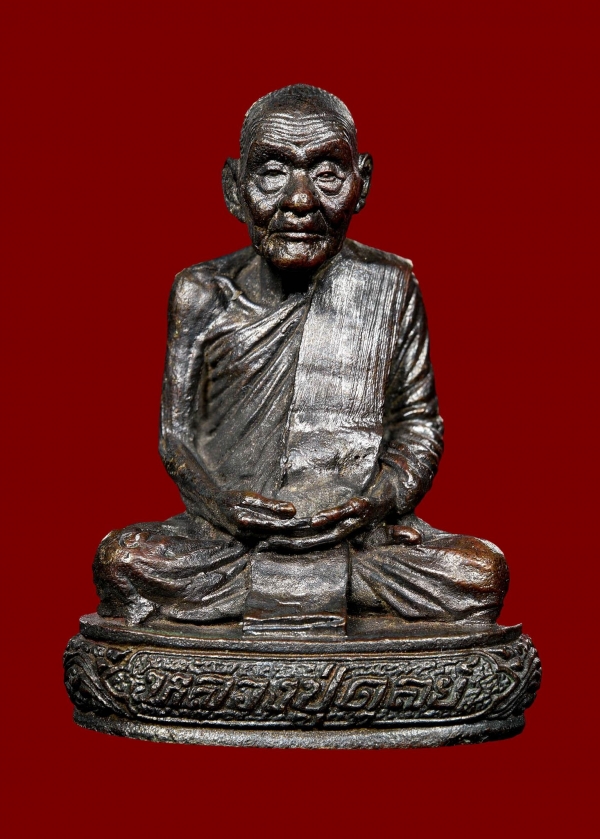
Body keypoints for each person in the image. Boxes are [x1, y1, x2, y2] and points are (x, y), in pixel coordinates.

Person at [93, 84, 508, 628]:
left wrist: (376, 502)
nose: (300, 200)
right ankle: (329, 590)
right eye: (273, 172)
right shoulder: (201, 292)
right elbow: (176, 438)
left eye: (327, 173)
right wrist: (222, 506)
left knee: (480, 572)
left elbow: (417, 427)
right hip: (232, 539)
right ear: (234, 188)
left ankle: (279, 589)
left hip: (356, 535)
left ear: (362, 183)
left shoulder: (388, 284)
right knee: (123, 561)